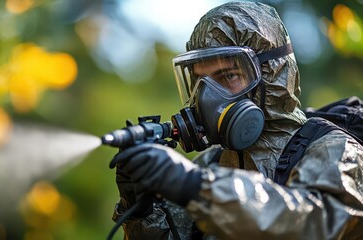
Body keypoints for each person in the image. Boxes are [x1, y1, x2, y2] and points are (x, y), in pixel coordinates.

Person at [111, 2, 363, 239]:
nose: (207, 97)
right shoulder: (210, 165)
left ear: (271, 75)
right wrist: (142, 208)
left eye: (228, 76)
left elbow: (316, 224)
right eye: (200, 81)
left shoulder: (334, 149)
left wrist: (196, 187)